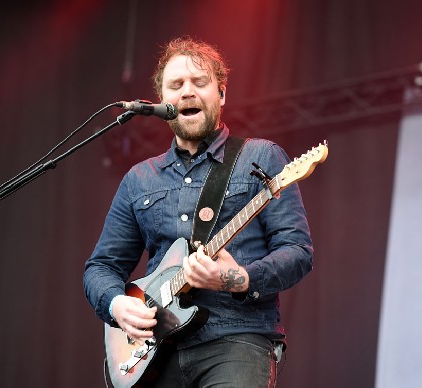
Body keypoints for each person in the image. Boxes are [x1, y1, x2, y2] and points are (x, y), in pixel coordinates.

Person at [83, 37, 313, 387]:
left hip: (237, 339)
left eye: (199, 83)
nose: (187, 92)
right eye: (176, 85)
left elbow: (298, 251)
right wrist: (117, 305)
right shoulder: (139, 179)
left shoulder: (262, 158)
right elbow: (102, 267)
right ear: (163, 102)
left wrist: (242, 278)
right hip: (157, 352)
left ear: (221, 94)